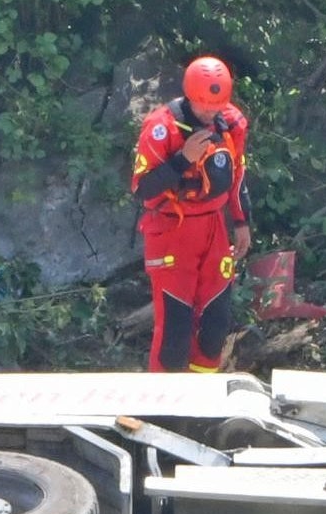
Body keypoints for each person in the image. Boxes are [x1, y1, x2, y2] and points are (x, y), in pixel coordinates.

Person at [130, 55, 252, 373]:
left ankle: (203, 400)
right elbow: (143, 189)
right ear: (190, 96)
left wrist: (241, 222)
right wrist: (184, 159)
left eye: (217, 106)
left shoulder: (232, 123)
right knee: (175, 330)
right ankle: (164, 408)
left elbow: (236, 177)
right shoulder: (161, 128)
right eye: (204, 106)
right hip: (171, 231)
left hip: (214, 229)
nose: (211, 113)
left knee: (214, 325)